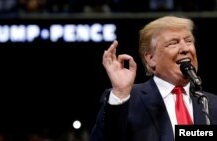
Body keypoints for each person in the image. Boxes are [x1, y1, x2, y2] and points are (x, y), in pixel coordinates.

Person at [89, 15, 217, 141]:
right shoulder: (128, 100)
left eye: (189, 41)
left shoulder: (211, 103)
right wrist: (120, 93)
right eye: (173, 43)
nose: (185, 48)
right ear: (151, 59)